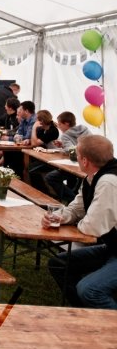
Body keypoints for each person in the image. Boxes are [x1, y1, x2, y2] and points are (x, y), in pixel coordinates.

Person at [47, 135, 117, 309]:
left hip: (114, 249)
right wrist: (59, 217)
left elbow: (92, 227)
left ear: (85, 161)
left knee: (89, 290)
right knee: (59, 264)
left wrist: (78, 222)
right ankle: (87, 314)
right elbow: (77, 209)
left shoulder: (109, 182)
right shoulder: (92, 178)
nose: (76, 158)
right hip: (112, 247)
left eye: (77, 154)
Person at [46, 112, 90, 202]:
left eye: (60, 124)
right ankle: (75, 199)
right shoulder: (85, 129)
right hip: (90, 162)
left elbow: (73, 152)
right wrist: (64, 145)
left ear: (66, 124)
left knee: (51, 177)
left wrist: (66, 147)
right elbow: (87, 147)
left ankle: (72, 201)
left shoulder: (65, 135)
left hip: (80, 165)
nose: (58, 126)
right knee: (73, 179)